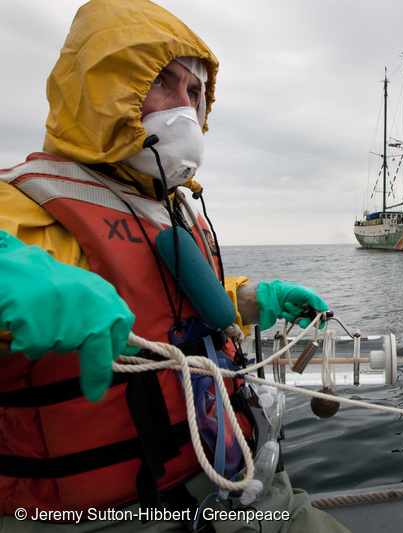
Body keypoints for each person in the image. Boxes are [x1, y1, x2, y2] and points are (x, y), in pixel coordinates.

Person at [0, 1, 348, 531]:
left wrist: (254, 300)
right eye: (163, 83)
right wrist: (17, 279)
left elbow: (167, 311)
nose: (185, 109)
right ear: (105, 90)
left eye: (195, 93)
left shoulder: (172, 207)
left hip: (238, 489)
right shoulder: (26, 205)